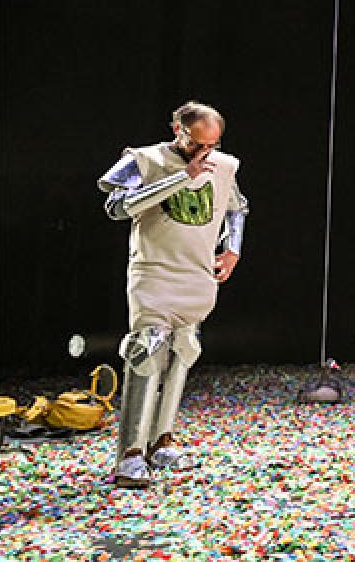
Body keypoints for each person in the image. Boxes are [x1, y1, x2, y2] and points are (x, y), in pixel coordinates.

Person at [97, 101, 249, 488]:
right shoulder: (145, 160)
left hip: (196, 271)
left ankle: (162, 441)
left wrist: (232, 249)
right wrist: (183, 177)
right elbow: (118, 206)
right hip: (154, 270)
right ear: (177, 130)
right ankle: (130, 454)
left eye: (212, 145)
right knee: (146, 350)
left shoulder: (224, 166)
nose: (204, 153)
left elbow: (237, 207)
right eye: (197, 143)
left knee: (184, 349)